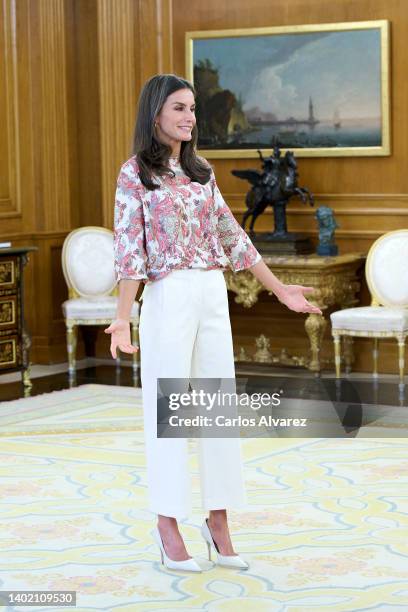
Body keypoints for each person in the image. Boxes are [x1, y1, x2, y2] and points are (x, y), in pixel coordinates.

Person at [105, 74, 322, 572]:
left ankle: (218, 520)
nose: (189, 117)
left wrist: (281, 288)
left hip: (210, 293)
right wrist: (122, 318)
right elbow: (128, 252)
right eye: (179, 108)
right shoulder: (134, 173)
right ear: (155, 113)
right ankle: (167, 524)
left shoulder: (203, 172)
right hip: (167, 296)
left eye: (194, 109)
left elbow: (233, 238)